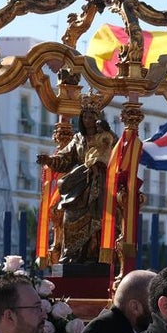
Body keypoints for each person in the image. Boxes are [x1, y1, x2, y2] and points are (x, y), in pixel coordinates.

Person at [36, 105, 116, 263]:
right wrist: (49, 160)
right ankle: (72, 253)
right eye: (84, 117)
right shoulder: (78, 138)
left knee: (98, 219)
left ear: (97, 118)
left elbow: (117, 152)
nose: (87, 120)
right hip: (79, 184)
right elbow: (65, 159)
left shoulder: (107, 136)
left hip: (100, 184)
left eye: (91, 117)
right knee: (69, 218)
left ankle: (93, 255)